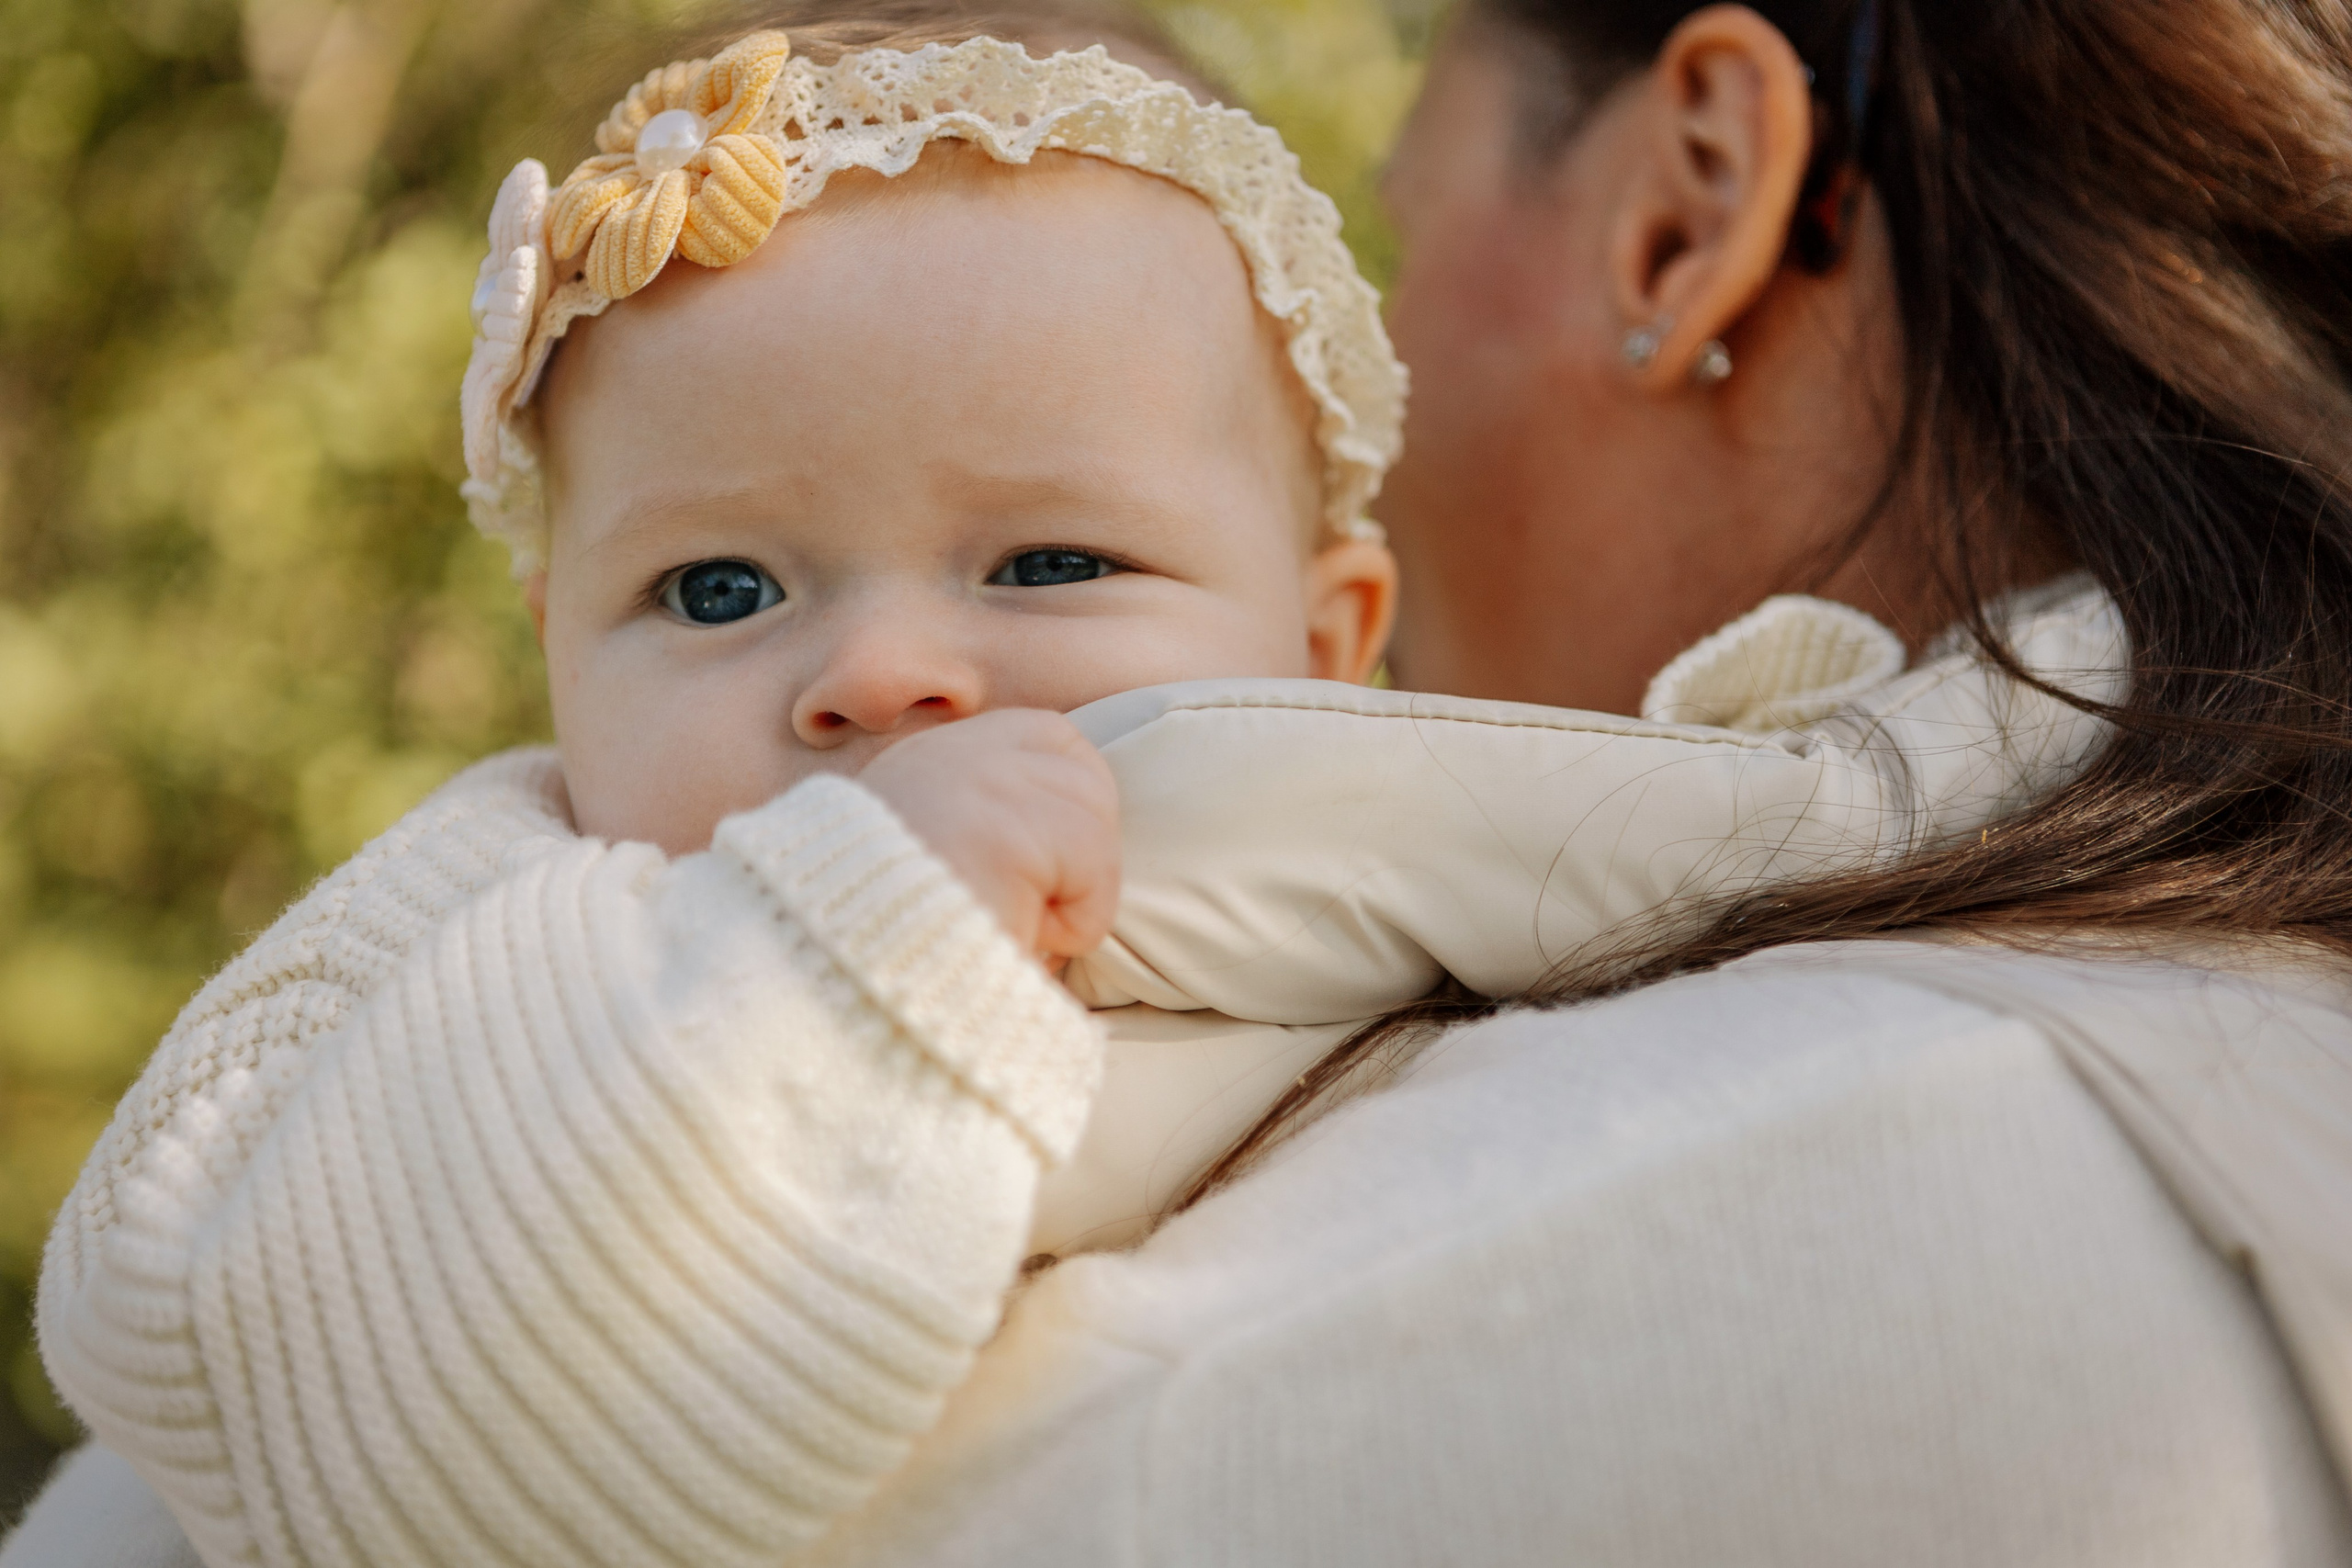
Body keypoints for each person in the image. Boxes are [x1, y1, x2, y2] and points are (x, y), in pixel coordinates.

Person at [14, 2, 2352, 1566]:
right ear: (554, 648)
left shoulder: (1807, 1029)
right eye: (719, 591)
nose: (879, 677)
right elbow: (262, 1320)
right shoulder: (506, 935)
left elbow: (1748, 818)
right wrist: (841, 961)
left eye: (1048, 558)